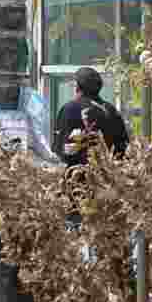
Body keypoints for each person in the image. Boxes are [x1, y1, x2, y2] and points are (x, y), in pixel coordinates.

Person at [53, 68, 130, 228]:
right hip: (108, 186)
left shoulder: (70, 109)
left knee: (78, 234)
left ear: (77, 87)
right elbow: (123, 149)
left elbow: (61, 151)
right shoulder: (111, 111)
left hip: (77, 187)